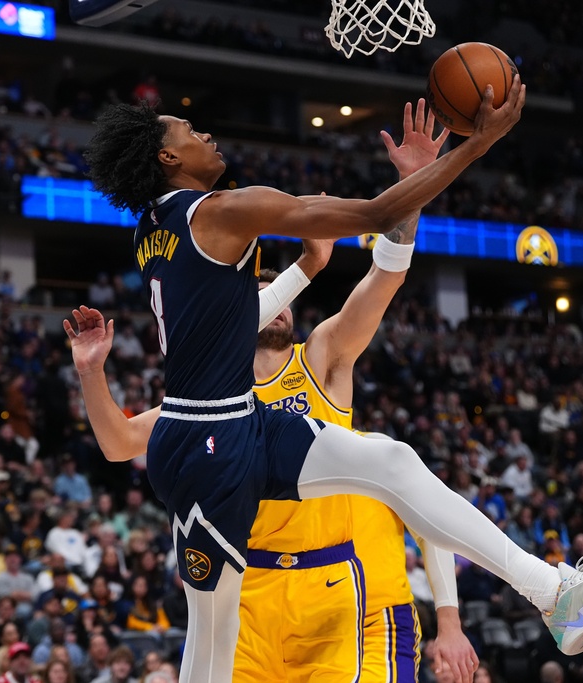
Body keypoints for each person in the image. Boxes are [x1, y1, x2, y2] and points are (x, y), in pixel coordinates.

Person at [75, 93, 583, 682]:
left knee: (393, 459)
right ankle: (556, 595)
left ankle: (556, 594)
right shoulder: (223, 210)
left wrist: (305, 270)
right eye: (191, 130)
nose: (207, 135)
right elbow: (377, 214)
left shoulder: (156, 230)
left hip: (238, 424)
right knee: (210, 649)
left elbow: (228, 323)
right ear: (168, 156)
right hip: (205, 445)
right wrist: (476, 144)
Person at [70, 158, 474, 678]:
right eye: (255, 291)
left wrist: (411, 191)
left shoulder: (323, 355)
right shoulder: (205, 398)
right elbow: (120, 441)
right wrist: (90, 372)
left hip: (329, 584)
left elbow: (385, 278)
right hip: (249, 592)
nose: (271, 300)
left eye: (275, 289)